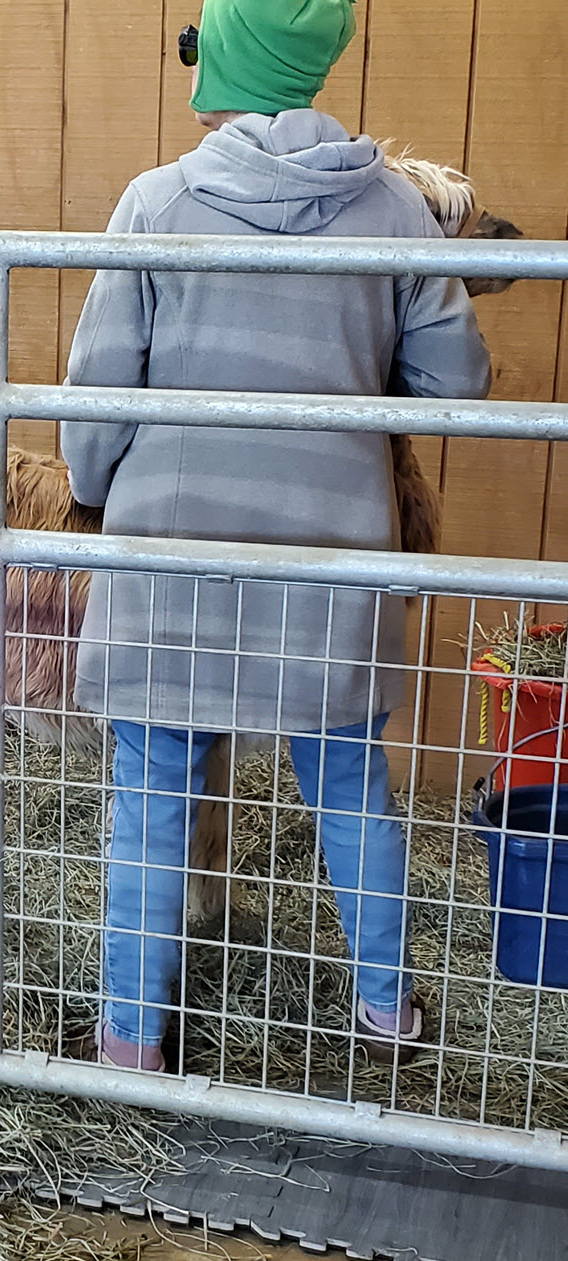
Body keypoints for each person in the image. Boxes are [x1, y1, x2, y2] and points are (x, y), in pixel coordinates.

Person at [60, 0, 491, 1071]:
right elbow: (459, 382)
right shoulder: (394, 211)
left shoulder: (155, 203)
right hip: (326, 563)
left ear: (227, 56)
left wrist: (93, 482)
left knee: (151, 796)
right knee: (354, 787)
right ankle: (388, 1015)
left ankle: (131, 1038)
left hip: (174, 562)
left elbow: (97, 401)